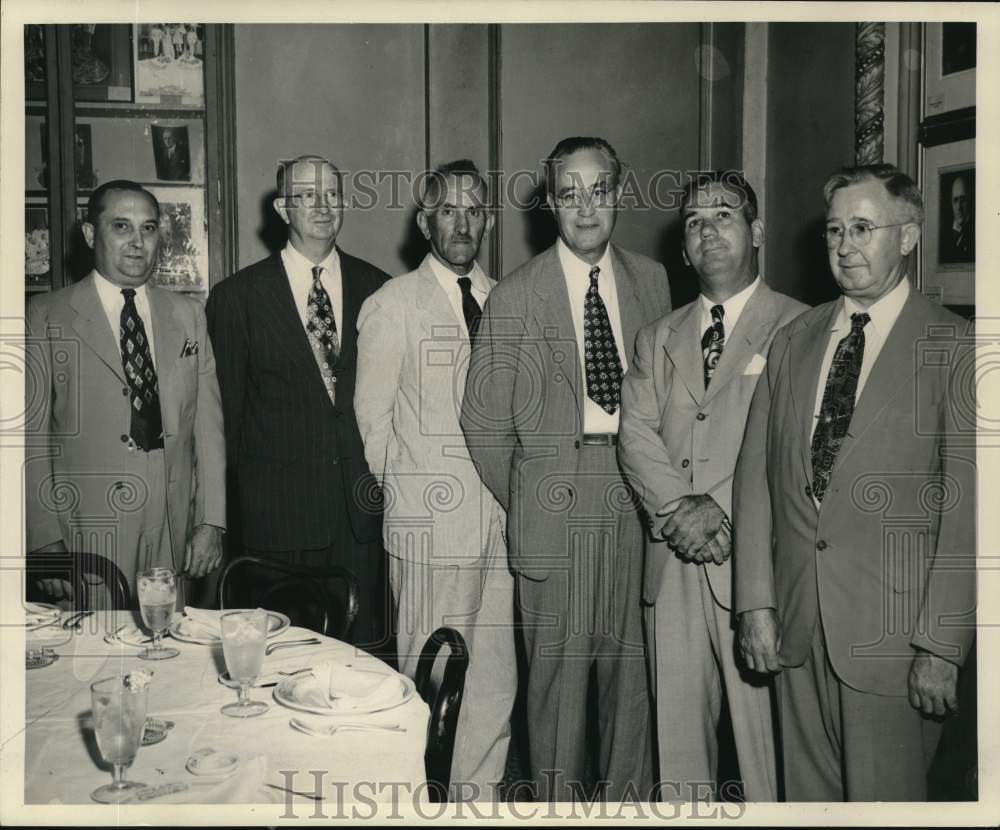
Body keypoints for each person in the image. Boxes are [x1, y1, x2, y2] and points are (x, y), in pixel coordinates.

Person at [734, 163, 976, 801]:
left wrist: (942, 645)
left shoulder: (955, 346)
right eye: (835, 230)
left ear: (908, 237)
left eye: (863, 228)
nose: (844, 246)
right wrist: (754, 603)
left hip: (893, 640)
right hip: (795, 626)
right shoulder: (794, 340)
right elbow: (756, 482)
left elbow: (971, 514)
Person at [461, 136, 671, 801]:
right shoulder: (515, 299)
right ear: (550, 202)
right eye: (569, 193)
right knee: (554, 704)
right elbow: (486, 426)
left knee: (632, 694)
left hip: (636, 503)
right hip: (553, 511)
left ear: (619, 193)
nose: (586, 209)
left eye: (599, 190)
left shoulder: (654, 281)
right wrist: (535, 493)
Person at [618, 173, 806, 801]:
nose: (708, 231)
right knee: (678, 754)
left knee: (767, 754)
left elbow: (795, 450)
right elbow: (636, 435)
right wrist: (681, 511)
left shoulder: (802, 329)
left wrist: (718, 512)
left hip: (757, 571)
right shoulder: (657, 337)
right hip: (671, 563)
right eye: (695, 221)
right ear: (682, 247)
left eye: (724, 216)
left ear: (756, 232)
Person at [355, 160, 515, 801]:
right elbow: (373, 424)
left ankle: (480, 803)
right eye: (448, 210)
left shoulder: (508, 298)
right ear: (425, 221)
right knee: (430, 680)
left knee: (496, 680)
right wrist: (413, 505)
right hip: (430, 530)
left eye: (474, 211)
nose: (462, 223)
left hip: (503, 526)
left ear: (488, 221)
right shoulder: (393, 303)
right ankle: (421, 803)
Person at [206, 155, 392, 655]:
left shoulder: (379, 288)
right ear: (282, 207)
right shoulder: (237, 298)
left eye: (332, 194)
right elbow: (227, 419)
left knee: (362, 666)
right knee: (282, 664)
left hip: (361, 514)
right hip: (278, 521)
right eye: (307, 195)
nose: (322, 206)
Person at [25, 180, 225, 599]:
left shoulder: (189, 315)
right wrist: (42, 540)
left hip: (171, 526)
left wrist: (211, 521)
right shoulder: (46, 315)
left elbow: (208, 428)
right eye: (121, 227)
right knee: (94, 654)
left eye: (148, 228)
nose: (137, 242)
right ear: (90, 234)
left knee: (168, 650)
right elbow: (29, 438)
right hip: (87, 527)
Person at [940, 173, 973, 263]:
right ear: (951, 202)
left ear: (970, 200)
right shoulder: (943, 232)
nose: (959, 207)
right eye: (955, 200)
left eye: (963, 200)